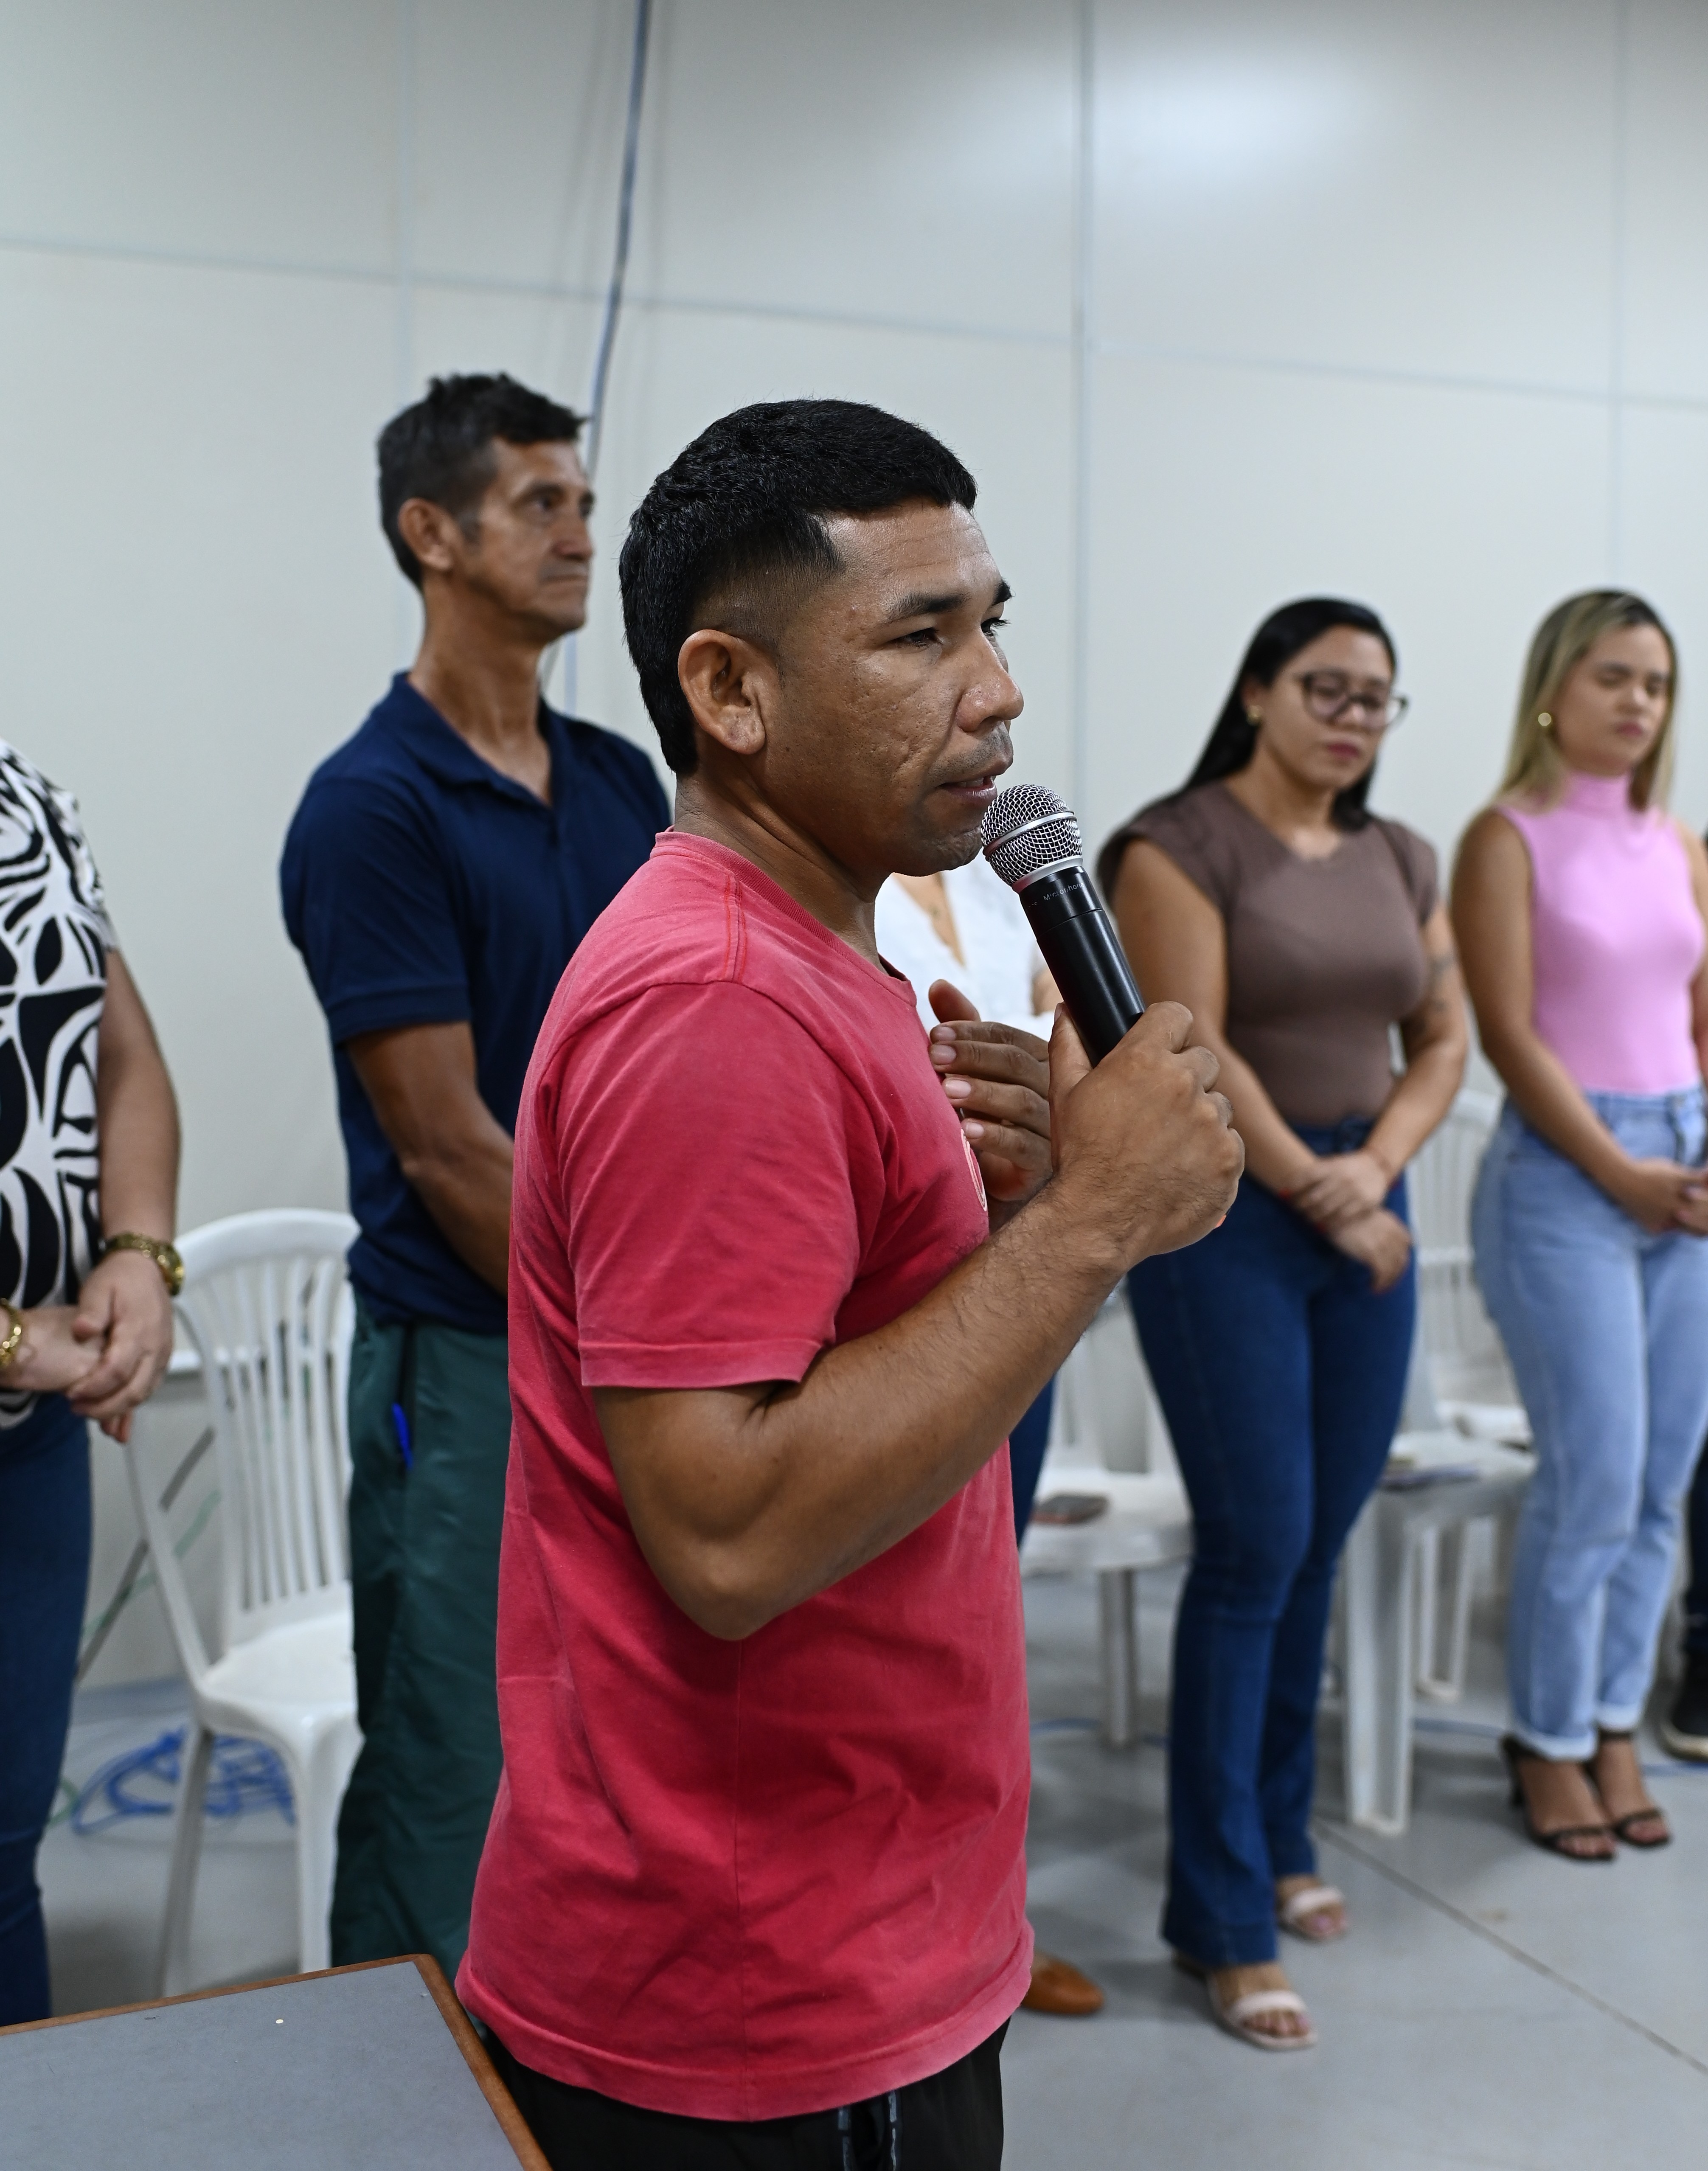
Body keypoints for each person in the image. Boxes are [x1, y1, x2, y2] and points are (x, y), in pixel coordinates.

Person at [456, 399, 1242, 2166]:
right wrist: (1087, 1226)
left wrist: (1011, 1215)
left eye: (992, 623)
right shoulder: (716, 1001)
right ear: (731, 692)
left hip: (845, 1923)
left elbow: (851, 1364)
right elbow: (728, 1536)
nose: (999, 692)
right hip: (757, 1989)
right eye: (920, 636)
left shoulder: (828, 949)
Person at [279, 373, 669, 1982]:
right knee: (451, 1748)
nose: (581, 533)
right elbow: (448, 1144)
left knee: (613, 1733)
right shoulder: (371, 806)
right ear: (430, 535)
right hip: (469, 1355)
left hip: (624, 1331)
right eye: (539, 503)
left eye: (585, 502)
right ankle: (403, 2075)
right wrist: (635, 1335)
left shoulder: (622, 783)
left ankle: (556, 2048)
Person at [1098, 597, 1466, 2050]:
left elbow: (1443, 1035)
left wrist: (1378, 1170)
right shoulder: (1177, 844)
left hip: (1366, 1207)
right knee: (1254, 1546)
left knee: (1319, 1537)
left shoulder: (1402, 854)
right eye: (1327, 687)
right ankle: (1221, 1912)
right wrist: (1322, 1187)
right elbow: (1192, 1041)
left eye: (1378, 697)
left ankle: (1282, 1834)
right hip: (1230, 1215)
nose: (1355, 716)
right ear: (1257, 691)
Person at [1454, 590, 1708, 1856]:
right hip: (1567, 1178)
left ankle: (1613, 1723)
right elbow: (1508, 1034)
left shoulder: (1677, 841)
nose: (1638, 702)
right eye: (1614, 676)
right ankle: (1547, 1739)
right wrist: (1622, 1172)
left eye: (1656, 683)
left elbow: (1700, 1014)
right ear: (1555, 689)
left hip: (1685, 1162)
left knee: (1664, 1479)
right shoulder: (1505, 837)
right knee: (1597, 1474)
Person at [874, 865, 1102, 2023]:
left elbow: (1068, 1024)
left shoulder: (998, 878)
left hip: (1014, 1250)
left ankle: (991, 1907)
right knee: (895, 1629)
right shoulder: (840, 881)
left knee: (983, 1608)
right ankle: (901, 1928)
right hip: (907, 1278)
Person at [0, 739, 180, 2025]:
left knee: (7, 1861)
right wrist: (14, 1340)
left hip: (29, 1441)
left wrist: (136, 1249)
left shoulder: (28, 799)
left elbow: (124, 1059)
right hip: (31, 1372)